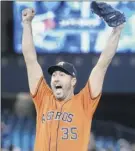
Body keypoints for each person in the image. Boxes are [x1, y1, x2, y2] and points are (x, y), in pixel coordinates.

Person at [21, 3, 125, 151]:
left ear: (73, 81)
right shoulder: (43, 98)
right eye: (54, 75)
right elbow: (30, 60)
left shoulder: (85, 102)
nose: (56, 78)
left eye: (62, 75)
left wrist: (117, 30)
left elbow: (102, 65)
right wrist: (26, 24)